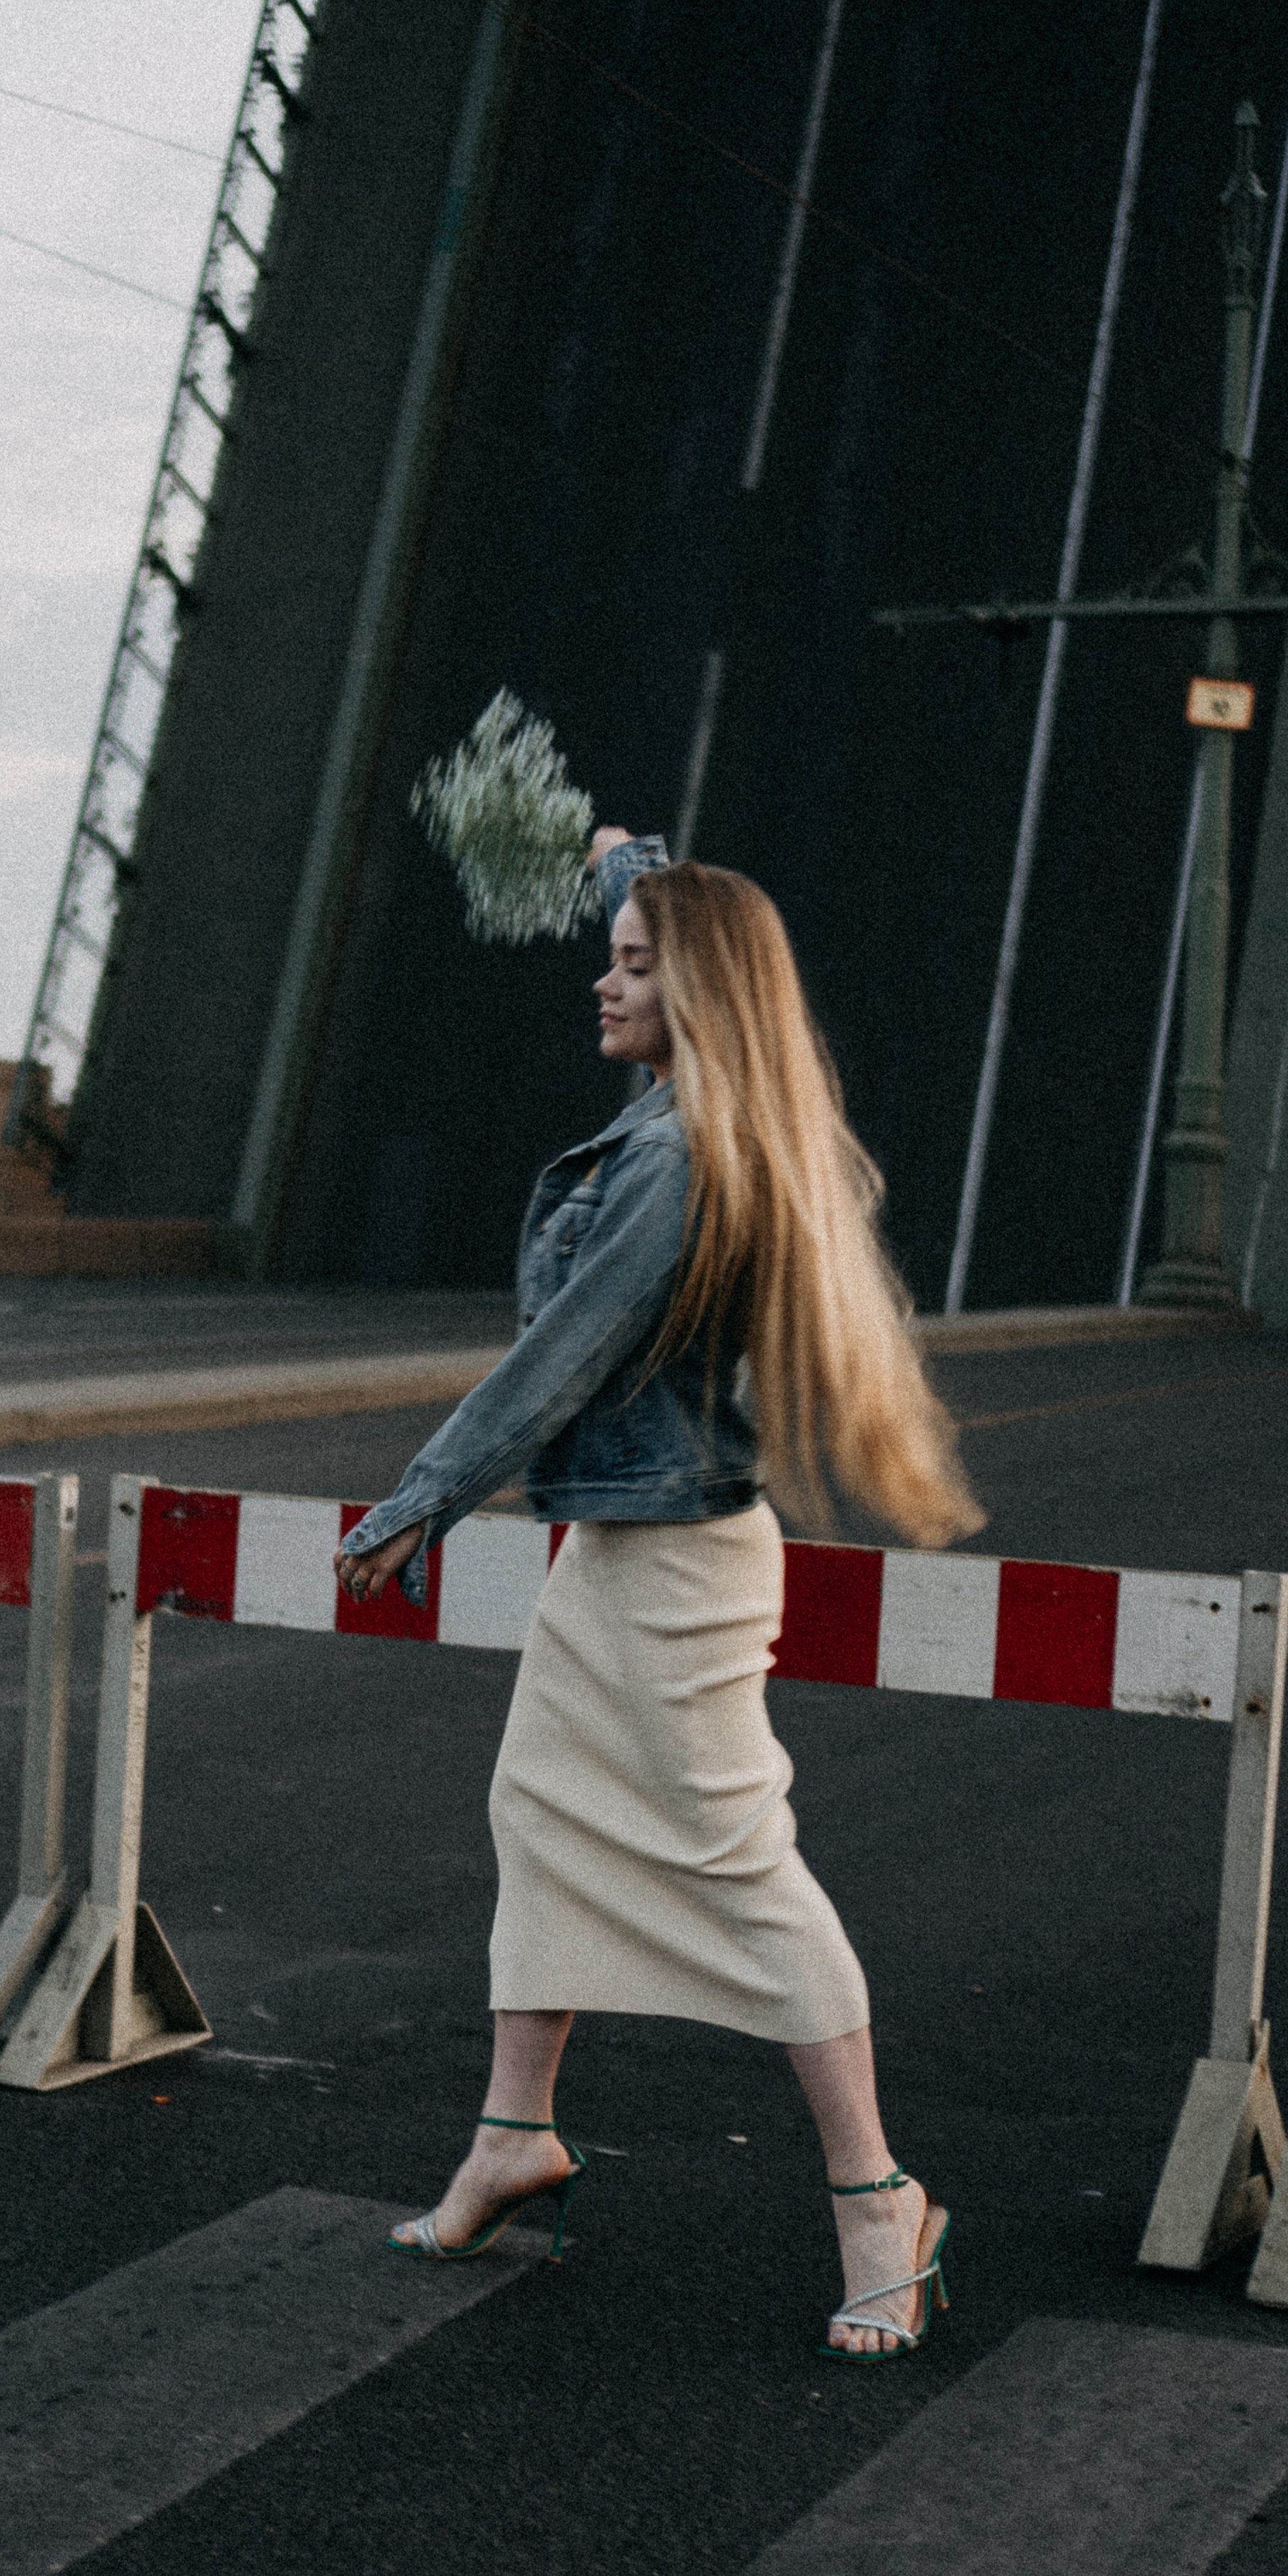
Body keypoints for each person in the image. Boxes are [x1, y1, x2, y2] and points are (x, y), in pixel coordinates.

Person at [334, 829, 983, 2358]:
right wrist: (627, 859)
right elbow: (681, 906)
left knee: (735, 1863)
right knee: (542, 1808)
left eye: (632, 961)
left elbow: (555, 1363)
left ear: (694, 992)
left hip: (673, 1559)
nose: (599, 977)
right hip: (631, 1543)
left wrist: (417, 1502)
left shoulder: (680, 1156)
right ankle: (512, 2136)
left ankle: (877, 2198)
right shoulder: (693, 1122)